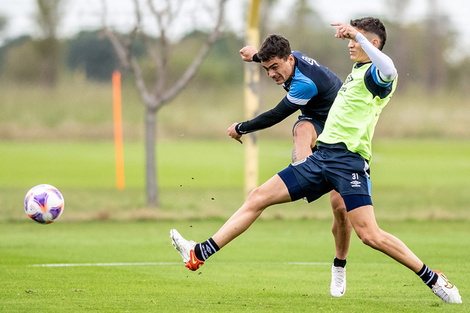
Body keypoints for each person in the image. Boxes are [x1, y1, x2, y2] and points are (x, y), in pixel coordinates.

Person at [170, 17, 462, 303]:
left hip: (349, 162)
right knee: (258, 196)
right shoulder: (357, 71)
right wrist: (256, 56)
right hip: (322, 158)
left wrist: (357, 36)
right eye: (350, 37)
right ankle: (198, 253)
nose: (350, 42)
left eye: (356, 38)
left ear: (372, 43)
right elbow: (286, 57)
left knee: (369, 235)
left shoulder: (377, 75)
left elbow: (390, 67)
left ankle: (434, 278)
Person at [229, 34, 351, 297]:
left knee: (340, 208)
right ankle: (305, 178)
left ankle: (339, 265)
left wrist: (241, 127)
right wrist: (254, 56)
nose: (271, 74)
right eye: (266, 69)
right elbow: (268, 59)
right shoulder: (284, 60)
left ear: (290, 59)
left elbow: (274, 116)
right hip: (316, 119)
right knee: (301, 132)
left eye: (275, 68)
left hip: (342, 132)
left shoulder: (304, 84)